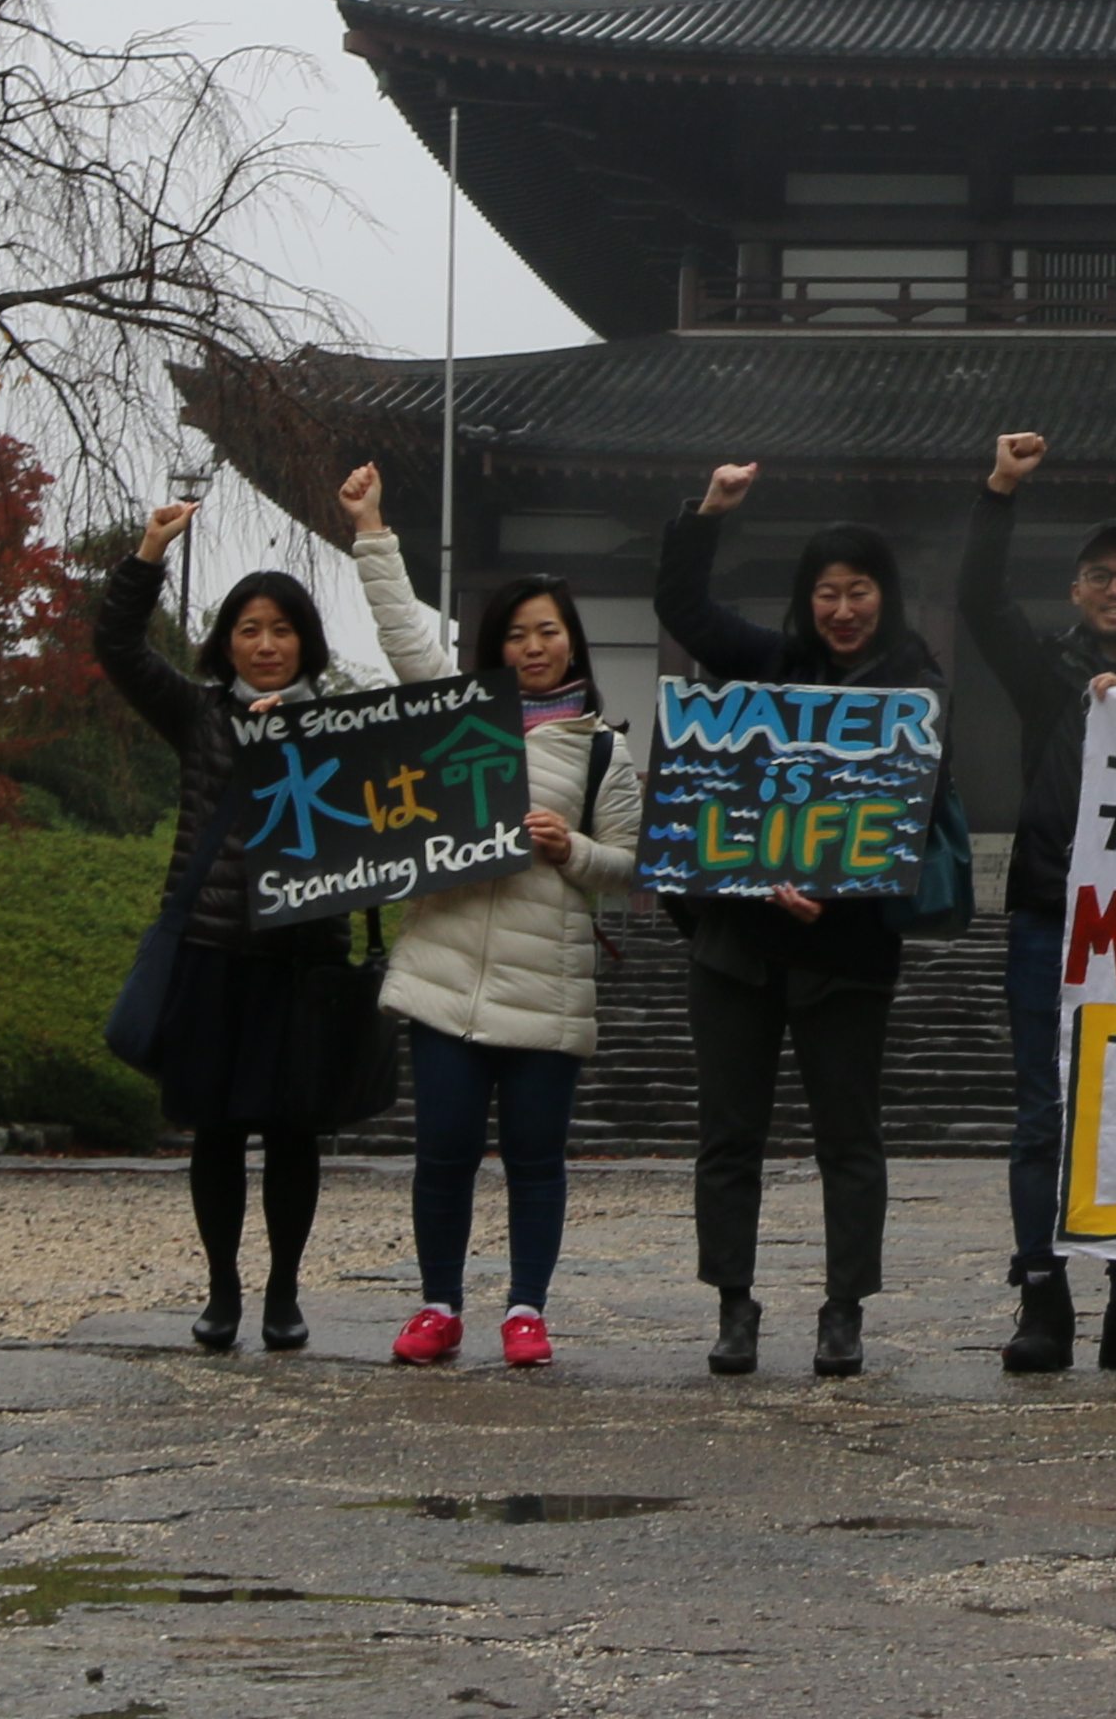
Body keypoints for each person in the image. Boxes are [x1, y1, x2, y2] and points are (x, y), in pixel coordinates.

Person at [96, 462, 435, 1355]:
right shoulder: (201, 716)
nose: (265, 644)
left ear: (306, 642)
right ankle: (221, 1292)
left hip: (303, 957)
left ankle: (284, 1291)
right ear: (226, 643)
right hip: (212, 952)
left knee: (291, 1133)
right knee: (215, 1130)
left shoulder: (345, 725)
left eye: (281, 629)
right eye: (248, 629)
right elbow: (119, 652)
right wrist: (146, 556)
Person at [653, 459, 940, 1380]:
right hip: (737, 943)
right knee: (728, 1133)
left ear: (885, 598)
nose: (843, 610)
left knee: (848, 1139)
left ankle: (844, 1309)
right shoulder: (770, 664)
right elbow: (685, 612)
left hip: (849, 951)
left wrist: (846, 889)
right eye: (827, 592)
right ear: (805, 599)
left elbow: (919, 824)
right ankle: (734, 1304)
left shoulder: (912, 690)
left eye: (859, 592)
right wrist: (711, 514)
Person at [957, 431, 1116, 1377]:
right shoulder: (1047, 674)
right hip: (1049, 915)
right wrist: (999, 494)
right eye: (1099, 574)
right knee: (1043, 1114)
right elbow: (979, 606)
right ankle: (1043, 1296)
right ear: (1076, 592)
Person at [377, 571, 643, 1371]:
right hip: (444, 976)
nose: (533, 647)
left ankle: (527, 1309)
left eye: (549, 631)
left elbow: (626, 865)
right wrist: (372, 535)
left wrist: (573, 849)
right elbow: (405, 643)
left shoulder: (603, 749)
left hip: (546, 983)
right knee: (443, 1153)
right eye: (517, 634)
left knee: (535, 1158)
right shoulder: (458, 721)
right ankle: (438, 1306)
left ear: (573, 642)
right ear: (495, 646)